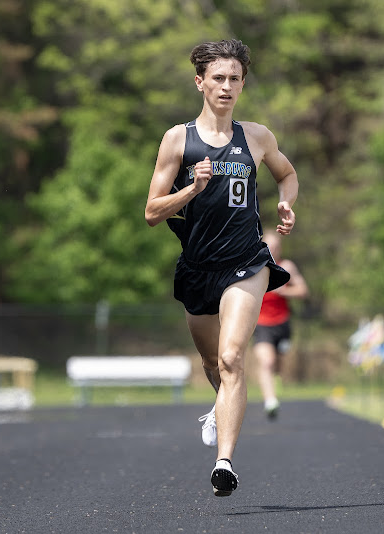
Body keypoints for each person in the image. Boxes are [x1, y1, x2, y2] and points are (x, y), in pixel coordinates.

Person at [144, 39, 299, 497]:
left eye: (234, 79)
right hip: (197, 267)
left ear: (243, 84)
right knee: (213, 363)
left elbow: (286, 174)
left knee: (233, 358)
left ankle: (224, 463)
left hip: (246, 262)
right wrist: (192, 188)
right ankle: (221, 405)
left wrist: (286, 203)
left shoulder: (257, 137)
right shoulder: (178, 139)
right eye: (218, 78)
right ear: (200, 82)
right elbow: (152, 211)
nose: (226, 86)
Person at [252, 229, 309, 420]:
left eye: (276, 247)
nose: (272, 250)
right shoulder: (255, 266)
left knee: (277, 363)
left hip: (282, 323)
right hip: (261, 324)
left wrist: (284, 292)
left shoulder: (287, 267)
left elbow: (302, 290)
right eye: (268, 247)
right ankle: (270, 401)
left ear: (280, 248)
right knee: (266, 361)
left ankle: (274, 378)